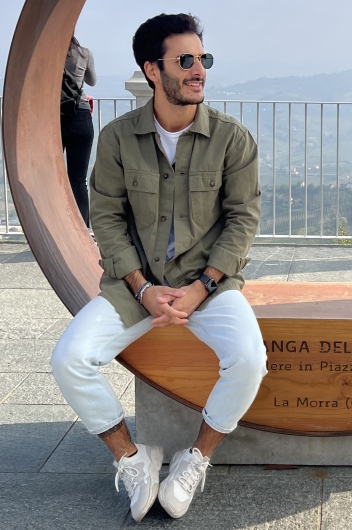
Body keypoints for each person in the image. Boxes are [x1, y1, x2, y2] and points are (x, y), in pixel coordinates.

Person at [51, 13, 267, 523]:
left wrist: (203, 286)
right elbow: (106, 219)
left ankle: (197, 458)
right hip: (135, 287)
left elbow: (243, 219)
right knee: (69, 359)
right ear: (152, 69)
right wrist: (142, 287)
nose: (199, 70)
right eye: (185, 60)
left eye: (203, 58)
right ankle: (132, 458)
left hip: (209, 286)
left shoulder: (232, 139)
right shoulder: (117, 139)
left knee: (249, 360)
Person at [61, 36, 97, 227]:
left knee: (52, 175)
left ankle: (57, 225)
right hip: (80, 114)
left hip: (55, 116)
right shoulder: (84, 53)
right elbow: (92, 80)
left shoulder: (50, 54)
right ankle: (82, 229)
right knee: (78, 179)